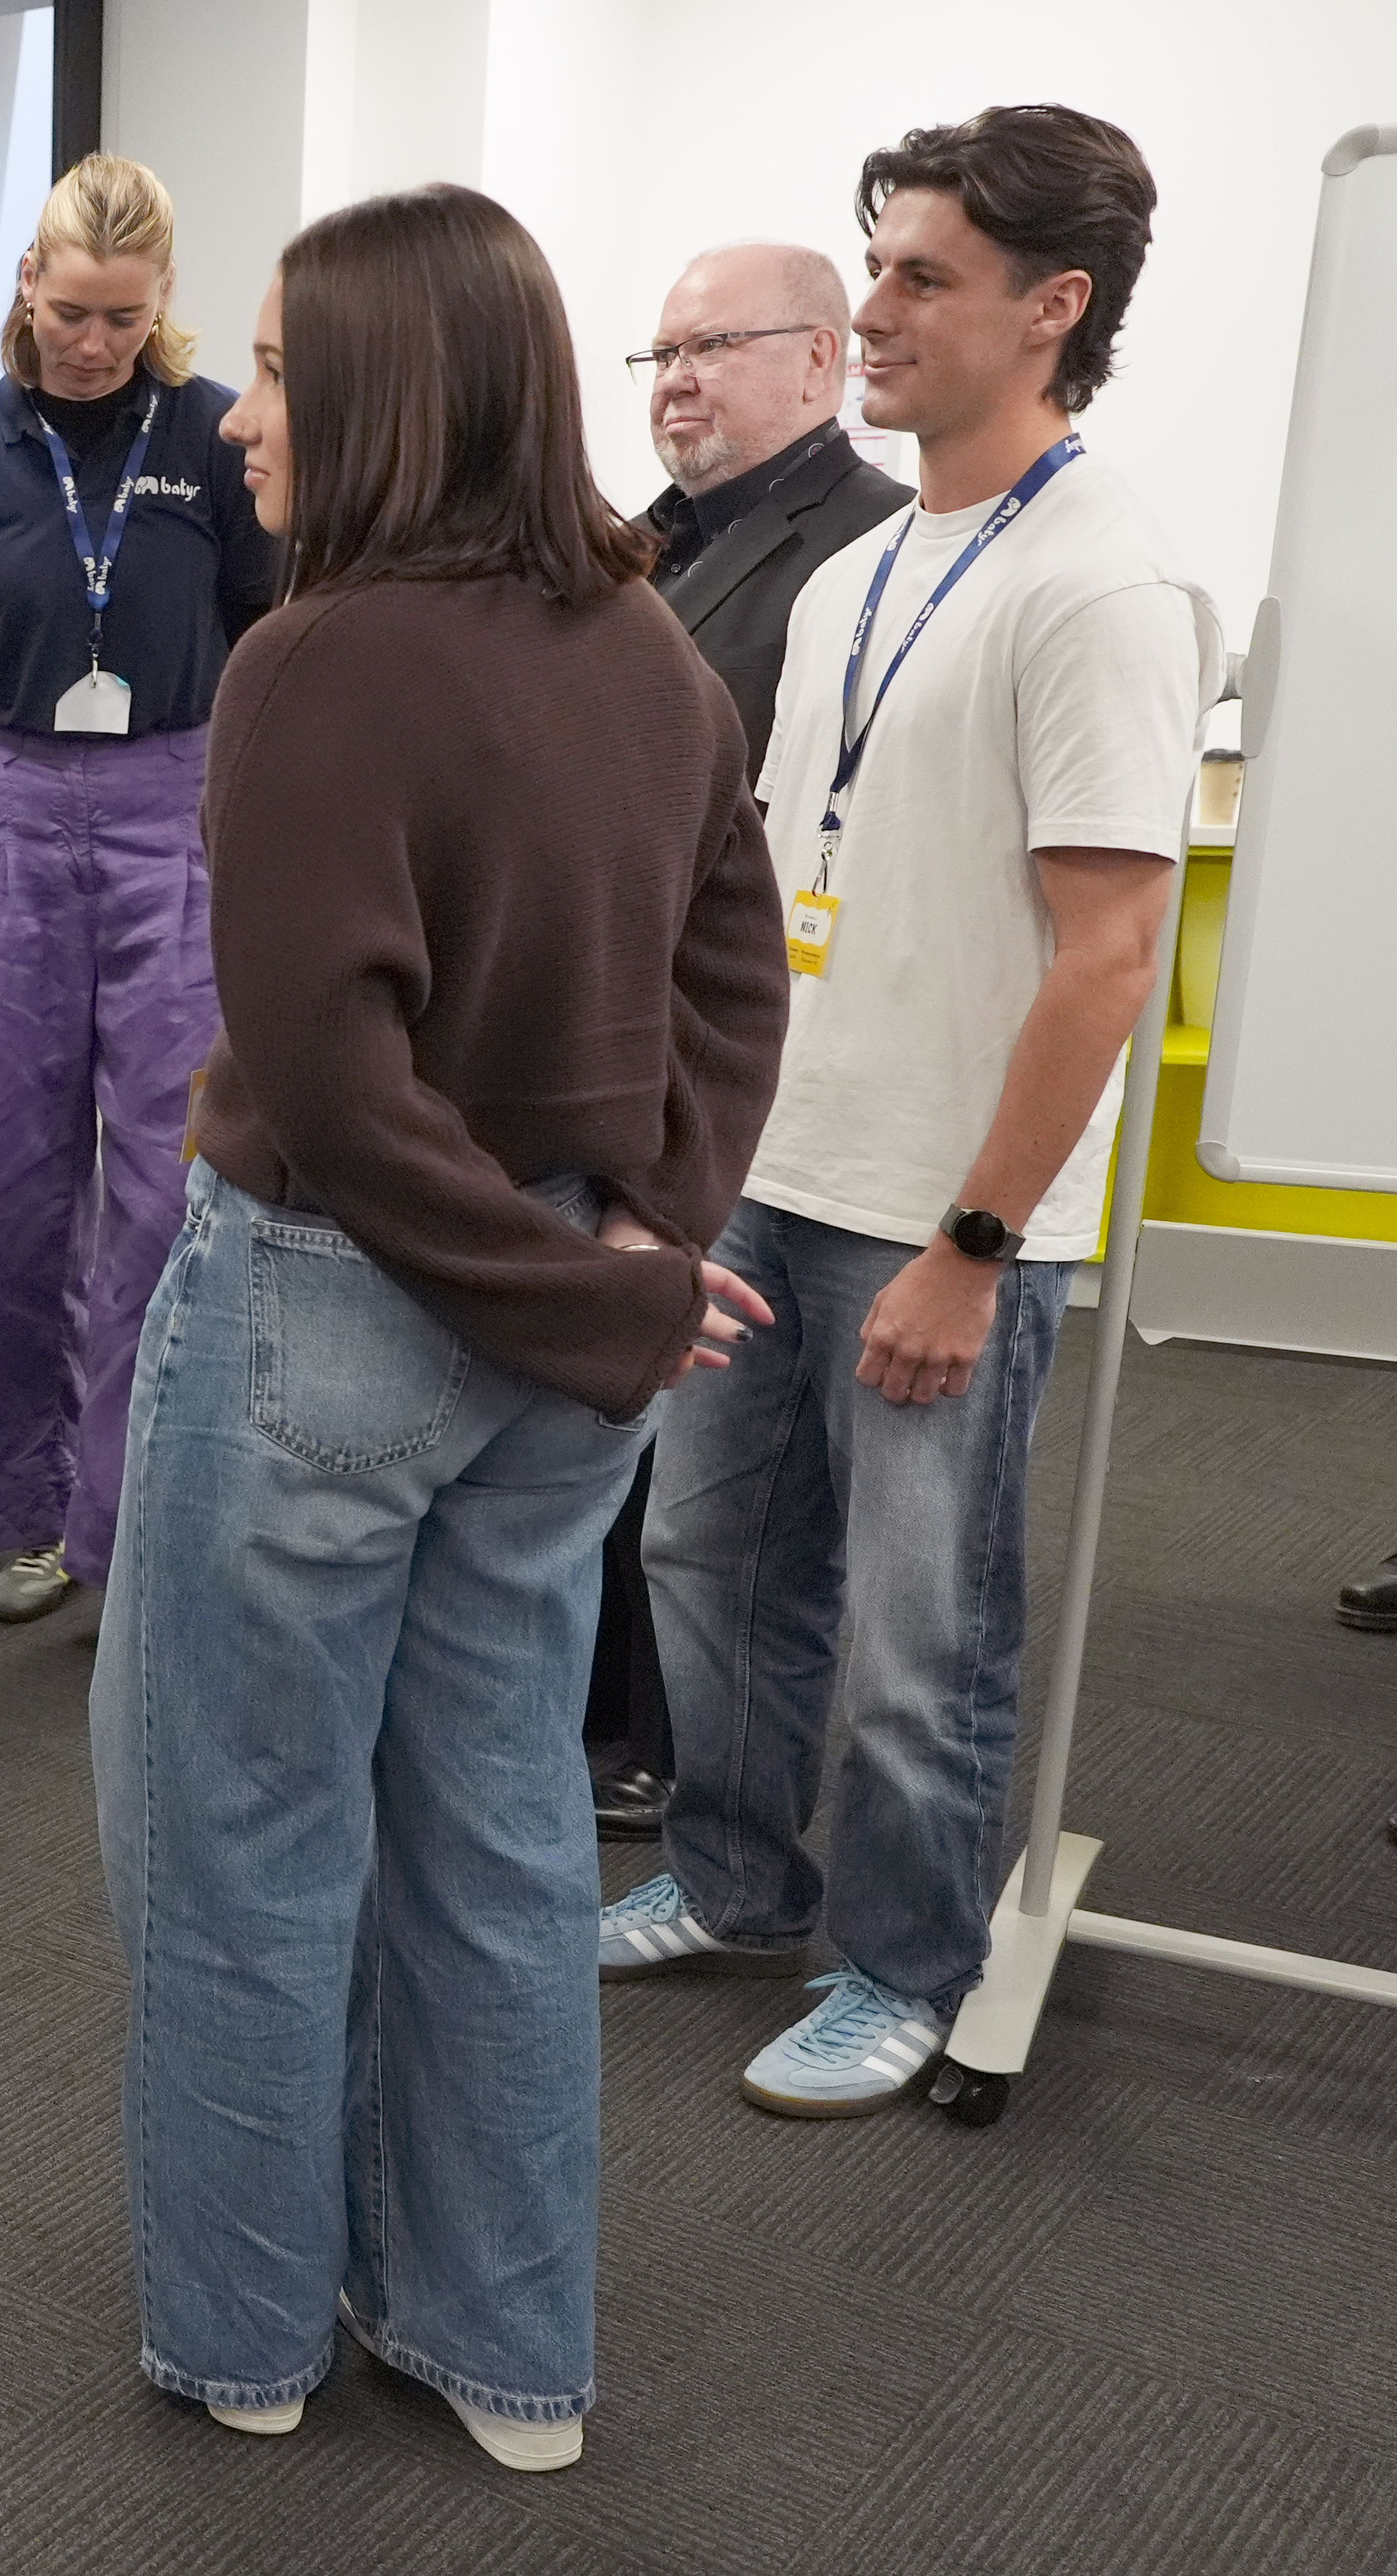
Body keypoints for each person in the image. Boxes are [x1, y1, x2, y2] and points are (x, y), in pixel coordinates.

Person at [89, 184, 785, 2473]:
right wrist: (634, 1249)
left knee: (239, 1846)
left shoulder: (317, 657)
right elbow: (730, 977)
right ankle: (504, 2346)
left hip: (338, 1313)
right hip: (564, 1331)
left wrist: (582, 1282)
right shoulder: (650, 647)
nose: (236, 412)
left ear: (382, 385)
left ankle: (245, 2334)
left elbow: (325, 1075)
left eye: (275, 369)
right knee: (495, 1849)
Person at [606, 106, 1219, 2118]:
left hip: (943, 1212)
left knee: (906, 1634)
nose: (866, 309)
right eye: (869, 266)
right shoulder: (869, 558)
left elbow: (1107, 956)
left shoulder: (1105, 578)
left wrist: (970, 1244)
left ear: (1050, 310)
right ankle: (727, 1878)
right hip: (767, 1170)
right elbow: (778, 885)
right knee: (704, 1562)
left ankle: (901, 1953)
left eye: (916, 277)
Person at [0, 154, 278, 1628]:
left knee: (169, 1185)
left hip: (175, 805)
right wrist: (33, 779)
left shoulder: (220, 434)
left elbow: (262, 632)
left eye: (119, 317)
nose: (90, 343)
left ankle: (136, 1518)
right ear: (26, 291)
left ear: (162, 301)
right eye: (66, 312)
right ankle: (26, 1510)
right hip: (19, 800)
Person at [584, 244, 914, 1838]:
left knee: (703, 1442)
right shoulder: (643, 539)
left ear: (822, 360)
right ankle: (603, 1712)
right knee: (624, 1414)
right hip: (608, 1031)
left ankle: (670, 1747)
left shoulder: (856, 546)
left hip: (731, 1053)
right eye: (657, 353)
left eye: (713, 346)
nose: (676, 379)